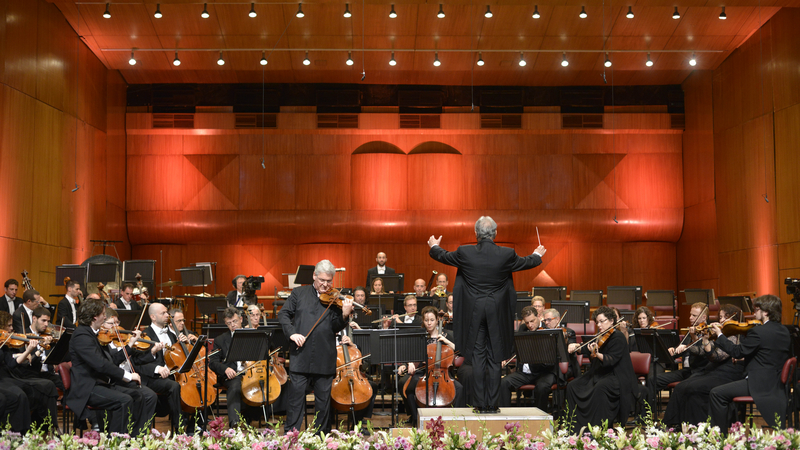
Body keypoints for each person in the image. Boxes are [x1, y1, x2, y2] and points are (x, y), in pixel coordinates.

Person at [428, 216, 545, 413]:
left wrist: (433, 246)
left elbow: (444, 256)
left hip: (474, 313)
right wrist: (537, 253)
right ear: (495, 233)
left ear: (476, 233)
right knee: (494, 357)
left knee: (478, 358)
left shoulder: (465, 252)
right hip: (497, 313)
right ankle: (492, 405)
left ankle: (480, 405)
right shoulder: (507, 253)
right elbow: (526, 263)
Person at [278, 260, 353, 433]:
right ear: (314, 276)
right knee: (295, 400)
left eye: (329, 281)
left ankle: (321, 438)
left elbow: (335, 326)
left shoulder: (335, 299)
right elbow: (283, 314)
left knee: (323, 403)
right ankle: (292, 436)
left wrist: (344, 316)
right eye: (322, 280)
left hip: (324, 356)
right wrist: (292, 333)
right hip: (300, 355)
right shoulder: (298, 293)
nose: (325, 285)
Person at [65, 297, 156, 436]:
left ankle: (134, 437)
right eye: (103, 314)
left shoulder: (91, 334)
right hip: (87, 388)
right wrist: (127, 375)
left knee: (137, 395)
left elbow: (110, 360)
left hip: (99, 383)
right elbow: (100, 365)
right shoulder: (81, 336)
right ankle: (113, 441)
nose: (104, 317)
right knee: (124, 401)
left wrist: (129, 345)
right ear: (95, 317)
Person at [709, 295, 791, 432]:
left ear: (766, 312)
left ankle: (718, 437)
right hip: (776, 383)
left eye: (757, 309)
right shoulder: (784, 331)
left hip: (759, 384)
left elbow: (736, 351)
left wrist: (720, 335)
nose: (754, 313)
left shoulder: (758, 332)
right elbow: (767, 354)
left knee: (716, 393)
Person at [662, 304, 745, 427]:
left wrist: (716, 337)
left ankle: (681, 425)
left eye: (725, 317)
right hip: (714, 372)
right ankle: (679, 424)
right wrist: (704, 340)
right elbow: (703, 351)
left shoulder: (734, 336)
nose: (721, 320)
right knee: (682, 387)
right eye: (720, 317)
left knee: (690, 387)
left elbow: (717, 356)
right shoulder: (719, 335)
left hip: (727, 375)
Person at [565, 306, 637, 430]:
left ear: (611, 321)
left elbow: (611, 360)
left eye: (602, 321)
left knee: (600, 388)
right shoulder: (600, 335)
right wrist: (575, 346)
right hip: (600, 373)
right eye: (597, 322)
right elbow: (586, 347)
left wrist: (597, 354)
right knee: (573, 386)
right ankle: (576, 426)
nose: (599, 324)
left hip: (616, 375)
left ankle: (598, 427)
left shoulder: (618, 337)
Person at [396, 306, 465, 425]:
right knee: (405, 385)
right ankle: (415, 417)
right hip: (424, 373)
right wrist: (407, 363)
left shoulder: (448, 334)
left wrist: (446, 341)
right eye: (426, 320)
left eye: (432, 320)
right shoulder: (420, 335)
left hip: (444, 373)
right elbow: (411, 353)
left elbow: (461, 351)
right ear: (423, 320)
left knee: (459, 389)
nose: (429, 323)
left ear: (437, 320)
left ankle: (455, 419)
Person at [500, 307, 578, 412]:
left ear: (539, 317)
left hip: (546, 371)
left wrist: (571, 342)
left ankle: (540, 419)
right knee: (504, 382)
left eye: (532, 321)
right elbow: (515, 348)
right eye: (527, 322)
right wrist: (505, 357)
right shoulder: (523, 328)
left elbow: (568, 333)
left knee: (542, 387)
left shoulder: (549, 328)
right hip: (528, 372)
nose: (530, 325)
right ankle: (505, 416)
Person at [134, 303, 185, 431]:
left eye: (167, 312)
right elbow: (138, 363)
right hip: (152, 377)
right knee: (174, 386)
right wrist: (157, 369)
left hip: (171, 374)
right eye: (163, 313)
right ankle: (179, 427)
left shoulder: (172, 334)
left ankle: (193, 425)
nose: (167, 315)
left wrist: (184, 344)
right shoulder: (144, 336)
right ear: (153, 317)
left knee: (189, 384)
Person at [209, 307, 249, 427]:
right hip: (233, 375)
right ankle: (234, 423)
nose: (233, 325)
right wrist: (225, 369)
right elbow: (213, 362)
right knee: (236, 385)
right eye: (229, 323)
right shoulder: (220, 340)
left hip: (252, 372)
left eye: (235, 321)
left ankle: (253, 418)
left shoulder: (252, 334)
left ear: (241, 319)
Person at [12, 306, 65, 391]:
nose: (46, 324)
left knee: (68, 383)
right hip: (33, 374)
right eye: (43, 320)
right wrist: (42, 348)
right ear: (34, 318)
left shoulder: (48, 336)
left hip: (48, 373)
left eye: (48, 321)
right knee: (48, 385)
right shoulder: (23, 336)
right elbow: (26, 363)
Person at [0, 311, 32, 433]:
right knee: (15, 396)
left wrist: (27, 351)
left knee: (20, 395)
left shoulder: (4, 343)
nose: (12, 328)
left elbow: (11, 363)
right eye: (8, 325)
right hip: (2, 379)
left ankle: (22, 433)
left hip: (4, 378)